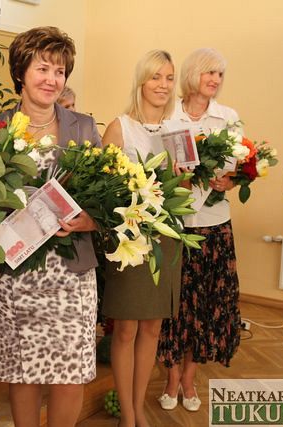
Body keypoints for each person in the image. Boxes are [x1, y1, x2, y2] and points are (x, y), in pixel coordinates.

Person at [0, 26, 101, 426]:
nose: (52, 79)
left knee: (71, 372)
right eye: (43, 68)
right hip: (14, 271)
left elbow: (106, 197)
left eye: (60, 71)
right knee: (24, 371)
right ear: (20, 71)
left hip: (70, 271)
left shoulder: (83, 127)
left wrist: (87, 220)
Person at [156, 48, 242, 412]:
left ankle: (189, 379)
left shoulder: (228, 117)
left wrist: (229, 181)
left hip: (215, 224)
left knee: (205, 308)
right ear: (193, 74)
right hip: (174, 225)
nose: (216, 80)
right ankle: (171, 377)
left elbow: (239, 169)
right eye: (210, 72)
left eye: (220, 74)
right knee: (174, 308)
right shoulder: (167, 114)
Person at [101, 49, 181, 427]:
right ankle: (127, 414)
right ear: (142, 82)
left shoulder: (179, 130)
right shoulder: (119, 127)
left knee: (152, 327)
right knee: (126, 328)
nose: (163, 85)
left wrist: (189, 175)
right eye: (156, 77)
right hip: (128, 237)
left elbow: (187, 187)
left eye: (169, 78)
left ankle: (138, 407)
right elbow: (102, 189)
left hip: (167, 237)